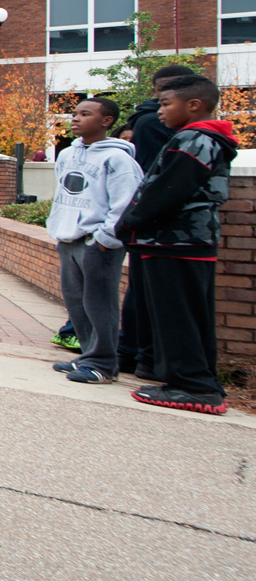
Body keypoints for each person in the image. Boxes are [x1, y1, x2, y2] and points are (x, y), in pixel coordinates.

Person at [115, 74, 238, 415]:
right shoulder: (204, 138)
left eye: (166, 104)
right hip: (187, 241)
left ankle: (194, 387)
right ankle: (195, 381)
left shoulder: (194, 138)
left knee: (176, 315)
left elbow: (167, 189)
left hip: (175, 241)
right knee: (188, 315)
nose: (159, 111)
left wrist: (129, 223)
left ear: (194, 105)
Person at [45, 96, 141, 385]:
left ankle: (103, 363)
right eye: (74, 113)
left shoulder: (119, 159)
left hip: (97, 242)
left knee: (99, 303)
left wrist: (105, 239)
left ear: (106, 121)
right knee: (76, 302)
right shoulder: (67, 155)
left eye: (85, 114)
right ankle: (88, 356)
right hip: (69, 239)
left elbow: (126, 203)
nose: (75, 118)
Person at [116, 64, 202, 377]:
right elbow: (160, 182)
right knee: (152, 297)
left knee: (150, 295)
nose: (163, 106)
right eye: (163, 99)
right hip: (166, 233)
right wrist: (129, 223)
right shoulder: (156, 124)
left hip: (167, 234)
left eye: (168, 102)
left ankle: (141, 358)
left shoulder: (195, 136)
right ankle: (147, 360)